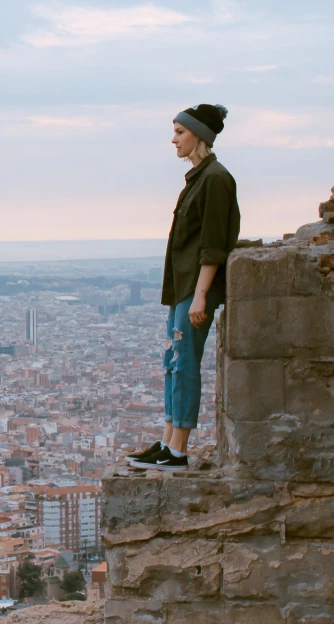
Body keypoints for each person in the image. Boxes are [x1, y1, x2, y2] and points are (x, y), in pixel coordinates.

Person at [126, 104, 240, 471]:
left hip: (196, 287)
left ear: (199, 136)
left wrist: (202, 295)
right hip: (184, 287)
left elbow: (212, 244)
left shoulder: (216, 179)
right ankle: (168, 441)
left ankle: (179, 451)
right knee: (173, 362)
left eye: (179, 132)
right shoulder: (198, 178)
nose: (173, 139)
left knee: (185, 362)